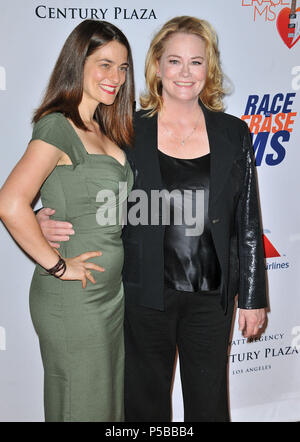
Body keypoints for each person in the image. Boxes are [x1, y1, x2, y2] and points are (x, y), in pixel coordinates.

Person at [37, 16, 268, 422]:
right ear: (157, 66)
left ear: (208, 68)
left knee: (210, 406)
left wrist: (252, 298)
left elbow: (248, 221)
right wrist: (41, 215)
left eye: (196, 62)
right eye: (174, 61)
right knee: (143, 407)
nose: (185, 72)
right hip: (143, 295)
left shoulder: (235, 133)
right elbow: (90, 183)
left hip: (210, 299)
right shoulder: (126, 128)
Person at [0, 19, 134, 422]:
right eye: (104, 64)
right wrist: (58, 266)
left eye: (123, 67)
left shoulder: (105, 126)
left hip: (109, 295)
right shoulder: (58, 126)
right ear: (78, 63)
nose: (116, 77)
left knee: (104, 407)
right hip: (74, 298)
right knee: (82, 406)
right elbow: (10, 203)